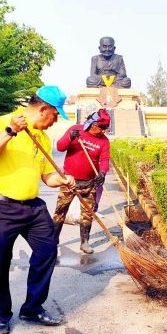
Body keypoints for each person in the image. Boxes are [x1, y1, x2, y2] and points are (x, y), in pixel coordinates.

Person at [0, 86, 75, 334]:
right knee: (0, 261)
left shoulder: (42, 137)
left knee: (47, 251)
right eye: (55, 116)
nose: (54, 122)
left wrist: (62, 179)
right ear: (44, 109)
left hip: (32, 207)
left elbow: (46, 176)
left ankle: (32, 307)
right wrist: (11, 131)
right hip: (1, 207)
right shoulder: (4, 122)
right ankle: (1, 315)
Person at [52, 108, 111, 254]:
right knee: (60, 211)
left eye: (106, 128)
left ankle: (84, 243)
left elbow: (104, 160)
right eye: (102, 127)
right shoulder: (76, 130)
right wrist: (70, 138)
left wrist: (102, 173)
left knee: (87, 213)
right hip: (69, 181)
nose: (104, 130)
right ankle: (53, 241)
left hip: (89, 183)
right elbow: (60, 147)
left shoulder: (104, 141)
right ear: (93, 123)